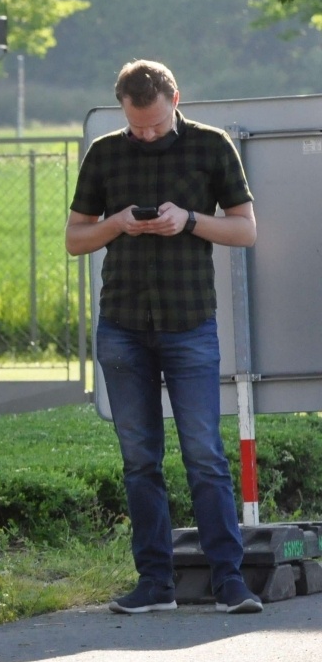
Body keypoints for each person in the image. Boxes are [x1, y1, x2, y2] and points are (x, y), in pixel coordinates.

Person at [65, 60, 261, 616]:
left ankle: (230, 582)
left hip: (189, 322)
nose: (145, 133)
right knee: (139, 460)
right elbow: (75, 239)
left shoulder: (211, 146)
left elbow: (245, 229)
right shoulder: (105, 152)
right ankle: (155, 582)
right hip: (122, 325)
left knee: (204, 454)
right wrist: (117, 223)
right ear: (122, 108)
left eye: (154, 123)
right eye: (136, 125)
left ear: (176, 97)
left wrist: (191, 221)